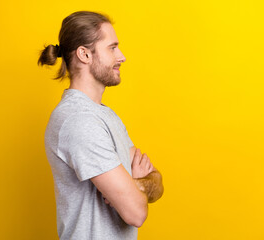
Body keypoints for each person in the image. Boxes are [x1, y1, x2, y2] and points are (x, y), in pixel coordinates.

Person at [38, 11, 164, 240]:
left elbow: (156, 180)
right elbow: (136, 213)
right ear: (84, 54)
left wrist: (136, 185)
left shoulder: (105, 116)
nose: (122, 56)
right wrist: (134, 188)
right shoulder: (78, 120)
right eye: (112, 47)